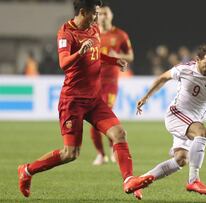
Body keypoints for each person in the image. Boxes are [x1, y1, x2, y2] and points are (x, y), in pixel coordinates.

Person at [17, 0, 145, 200]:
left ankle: (129, 180)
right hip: (73, 101)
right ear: (83, 12)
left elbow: (96, 55)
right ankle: (27, 171)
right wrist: (80, 52)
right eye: (95, 13)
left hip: (94, 99)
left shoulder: (93, 29)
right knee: (71, 153)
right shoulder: (66, 32)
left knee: (119, 134)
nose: (97, 17)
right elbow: (63, 63)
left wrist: (113, 60)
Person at [122, 44, 206, 195]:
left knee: (180, 160)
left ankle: (138, 182)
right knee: (202, 132)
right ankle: (193, 181)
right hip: (176, 113)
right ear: (197, 60)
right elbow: (163, 78)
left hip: (191, 120)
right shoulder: (185, 69)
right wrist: (146, 96)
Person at [90, 5, 134, 166]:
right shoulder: (92, 33)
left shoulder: (120, 35)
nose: (103, 16)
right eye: (100, 14)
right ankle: (100, 154)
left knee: (104, 116)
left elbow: (130, 55)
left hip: (110, 83)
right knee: (93, 122)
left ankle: (113, 148)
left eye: (105, 14)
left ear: (111, 16)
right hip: (92, 82)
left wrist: (118, 55)